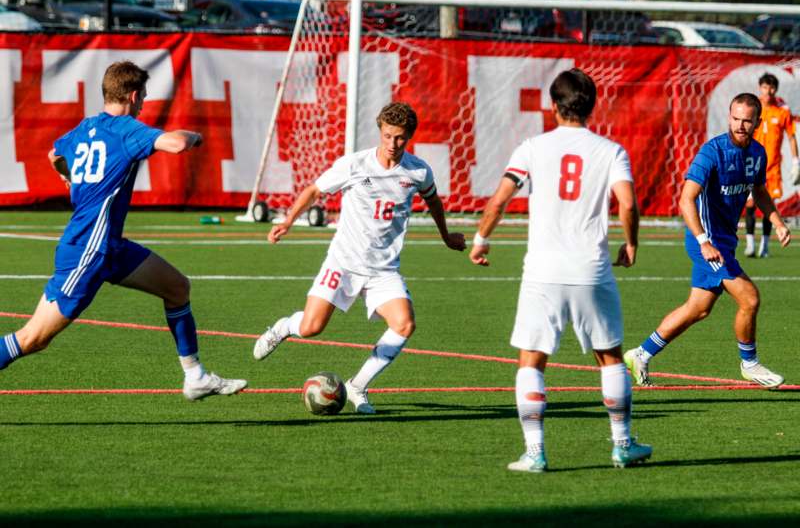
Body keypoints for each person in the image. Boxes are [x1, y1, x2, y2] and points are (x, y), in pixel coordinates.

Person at [0, 61, 247, 400]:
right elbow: (175, 144)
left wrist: (69, 175)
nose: (144, 103)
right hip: (88, 251)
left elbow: (53, 153)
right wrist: (195, 136)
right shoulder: (126, 129)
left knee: (177, 288)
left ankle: (196, 376)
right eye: (143, 96)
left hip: (109, 247)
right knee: (32, 339)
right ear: (132, 96)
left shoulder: (86, 128)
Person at [469, 68, 651, 472]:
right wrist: (631, 242)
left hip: (543, 272)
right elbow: (627, 203)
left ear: (553, 107)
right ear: (592, 106)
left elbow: (499, 200)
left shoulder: (533, 147)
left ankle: (535, 452)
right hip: (591, 269)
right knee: (611, 358)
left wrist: (481, 239)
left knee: (530, 361)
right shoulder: (611, 151)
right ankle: (622, 444)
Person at [254, 102, 465, 414]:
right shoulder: (355, 164)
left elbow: (433, 200)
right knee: (312, 327)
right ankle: (285, 327)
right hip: (344, 263)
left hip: (383, 269)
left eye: (401, 138)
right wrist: (287, 221)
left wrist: (446, 236)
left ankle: (357, 386)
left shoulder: (418, 170)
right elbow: (315, 190)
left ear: (409, 138)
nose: (393, 144)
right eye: (388, 136)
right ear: (380, 131)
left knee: (404, 324)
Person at [625, 93, 790, 389]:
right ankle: (749, 364)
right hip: (707, 243)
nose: (740, 125)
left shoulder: (757, 153)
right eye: (735, 118)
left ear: (757, 122)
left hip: (723, 242)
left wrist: (776, 221)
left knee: (698, 308)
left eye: (746, 120)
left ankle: (641, 353)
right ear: (729, 117)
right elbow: (686, 199)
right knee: (750, 298)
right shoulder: (712, 152)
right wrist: (703, 241)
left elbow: (760, 190)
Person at [744, 73, 798, 258]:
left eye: (772, 87)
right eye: (766, 87)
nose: (769, 91)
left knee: (769, 206)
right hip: (752, 164)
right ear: (760, 87)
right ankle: (750, 244)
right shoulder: (753, 107)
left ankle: (765, 245)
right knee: (750, 204)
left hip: (772, 168)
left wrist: (796, 162)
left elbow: (791, 136)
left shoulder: (782, 110)